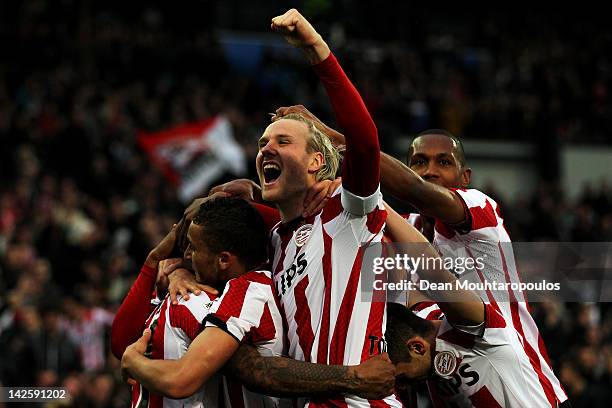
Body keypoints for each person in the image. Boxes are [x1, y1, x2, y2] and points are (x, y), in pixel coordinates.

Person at [163, 8, 400, 406]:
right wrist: (180, 269)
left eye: (283, 142)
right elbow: (207, 241)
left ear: (317, 163)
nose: (267, 148)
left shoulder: (346, 212)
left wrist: (317, 50)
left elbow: (365, 143)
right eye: (262, 144)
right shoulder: (274, 240)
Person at [272, 104, 568, 406]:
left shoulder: (481, 212)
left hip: (515, 374)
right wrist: (261, 196)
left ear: (464, 177)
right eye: (419, 162)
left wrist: (335, 139)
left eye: (443, 162)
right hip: (447, 377)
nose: (430, 171)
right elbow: (315, 221)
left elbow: (415, 190)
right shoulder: (400, 231)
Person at [117, 196, 395, 406]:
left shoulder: (243, 291)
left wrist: (133, 363)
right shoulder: (198, 284)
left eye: (193, 247)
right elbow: (121, 339)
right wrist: (156, 263)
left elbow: (250, 371)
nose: (185, 254)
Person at [382, 204, 571, 407]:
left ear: (417, 347)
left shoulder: (472, 327)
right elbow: (396, 279)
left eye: (401, 377)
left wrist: (376, 205)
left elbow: (432, 270)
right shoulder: (419, 317)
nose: (400, 386)